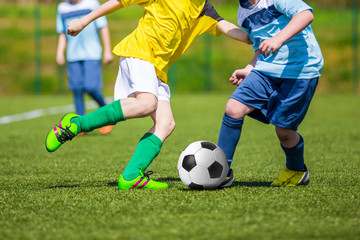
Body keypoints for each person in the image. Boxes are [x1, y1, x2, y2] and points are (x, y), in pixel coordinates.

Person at [46, 0, 252, 190]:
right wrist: (84, 21)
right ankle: (74, 125)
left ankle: (131, 175)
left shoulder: (204, 9)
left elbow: (225, 26)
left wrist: (255, 38)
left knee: (166, 124)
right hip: (140, 52)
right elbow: (119, 2)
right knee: (146, 104)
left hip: (157, 69)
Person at [218, 0, 324, 187]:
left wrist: (278, 38)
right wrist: (249, 68)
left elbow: (306, 14)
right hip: (266, 69)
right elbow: (260, 47)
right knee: (233, 108)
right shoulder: (243, 13)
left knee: (284, 132)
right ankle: (221, 170)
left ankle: (296, 170)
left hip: (300, 71)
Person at [56, 0, 114, 135]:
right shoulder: (62, 8)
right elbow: (62, 33)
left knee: (91, 87)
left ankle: (108, 114)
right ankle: (80, 124)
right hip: (73, 55)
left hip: (91, 54)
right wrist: (60, 52)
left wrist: (107, 50)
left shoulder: (92, 4)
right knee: (76, 88)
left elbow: (103, 27)